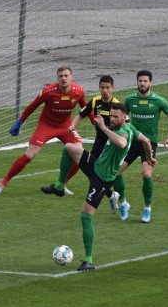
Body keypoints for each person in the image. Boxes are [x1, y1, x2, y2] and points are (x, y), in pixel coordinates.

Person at [42, 103, 156, 271]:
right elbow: (146, 140)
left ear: (124, 117)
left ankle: (88, 260)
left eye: (116, 117)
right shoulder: (131, 128)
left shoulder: (124, 131)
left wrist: (104, 128)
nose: (113, 119)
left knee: (85, 216)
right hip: (96, 166)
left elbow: (122, 144)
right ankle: (60, 186)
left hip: (102, 179)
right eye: (111, 116)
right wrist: (150, 156)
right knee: (69, 148)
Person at [0, 66, 90, 196]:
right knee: (29, 155)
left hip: (66, 127)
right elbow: (33, 106)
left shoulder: (79, 92)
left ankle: (61, 186)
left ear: (72, 77)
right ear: (57, 78)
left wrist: (95, 122)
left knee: (80, 156)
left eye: (66, 76)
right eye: (61, 76)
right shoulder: (48, 91)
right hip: (46, 126)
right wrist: (20, 122)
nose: (63, 78)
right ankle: (2, 183)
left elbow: (86, 108)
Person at [116, 70, 168, 223]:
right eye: (140, 81)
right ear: (137, 82)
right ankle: (123, 203)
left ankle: (147, 208)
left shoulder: (158, 101)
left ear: (150, 83)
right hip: (132, 142)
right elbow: (122, 116)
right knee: (115, 173)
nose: (142, 83)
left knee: (146, 174)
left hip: (148, 144)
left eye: (145, 81)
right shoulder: (130, 99)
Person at [57, 74, 123, 212]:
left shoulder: (116, 105)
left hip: (110, 148)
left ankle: (120, 200)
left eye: (107, 88)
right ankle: (112, 195)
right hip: (98, 145)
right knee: (93, 174)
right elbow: (80, 114)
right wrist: (72, 126)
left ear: (113, 88)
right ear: (99, 87)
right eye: (102, 87)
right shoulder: (95, 101)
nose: (105, 90)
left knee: (108, 175)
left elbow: (125, 126)